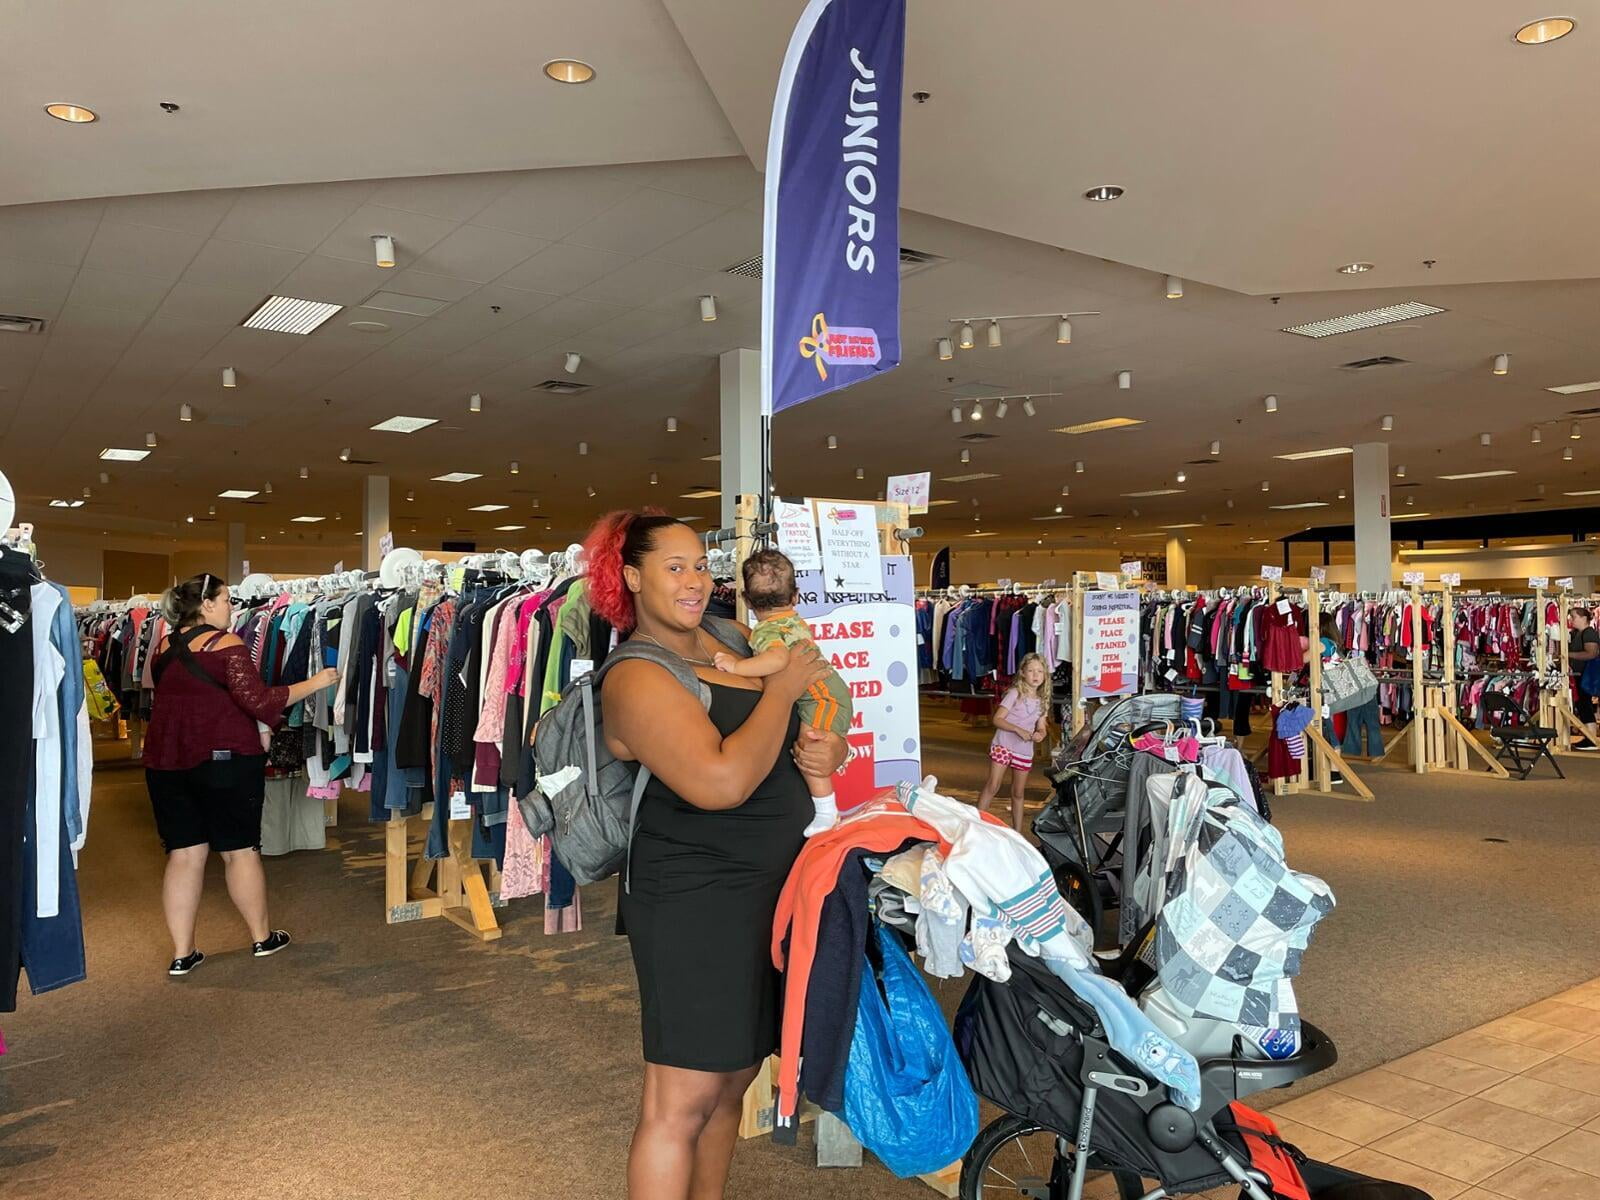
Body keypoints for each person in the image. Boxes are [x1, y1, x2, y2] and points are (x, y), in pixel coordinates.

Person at [589, 513, 847, 1200]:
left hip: (771, 888)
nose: (695, 579)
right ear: (632, 577)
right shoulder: (635, 676)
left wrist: (828, 748)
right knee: (680, 1099)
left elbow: (805, 717)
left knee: (733, 1080)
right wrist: (784, 690)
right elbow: (720, 781)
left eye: (701, 564)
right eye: (674, 566)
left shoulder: (734, 637)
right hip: (694, 900)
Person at [142, 574, 338, 977]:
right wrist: (317, 682)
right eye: (227, 600)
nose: (233, 607)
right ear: (207, 605)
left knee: (184, 854)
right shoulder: (226, 644)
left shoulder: (162, 645)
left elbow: (163, 692)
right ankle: (261, 938)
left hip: (167, 761)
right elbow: (258, 699)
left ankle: (183, 953)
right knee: (239, 850)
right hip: (225, 760)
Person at [713, 548, 853, 836]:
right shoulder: (791, 619)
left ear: (746, 600)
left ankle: (827, 811)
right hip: (826, 692)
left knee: (810, 748)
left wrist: (737, 666)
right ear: (796, 596)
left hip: (820, 697)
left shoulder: (765, 631)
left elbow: (777, 659)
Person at [977, 652, 1051, 831]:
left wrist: (1040, 734)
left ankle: (1017, 832)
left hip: (1024, 750)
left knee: (1018, 792)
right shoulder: (1014, 694)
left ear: (1045, 675)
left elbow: (1042, 726)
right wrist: (1017, 729)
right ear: (1023, 673)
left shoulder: (1042, 701)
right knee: (993, 785)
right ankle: (975, 825)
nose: (1035, 675)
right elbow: (998, 719)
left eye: (1040, 671)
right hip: (1004, 744)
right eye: (1031, 671)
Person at [1568, 606, 1600, 748]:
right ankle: (1590, 737)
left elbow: (1592, 653)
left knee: (1585, 705)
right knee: (1583, 705)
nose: (1571, 619)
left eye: (1574, 617)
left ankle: (1591, 738)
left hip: (1586, 675)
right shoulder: (1579, 634)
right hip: (1580, 674)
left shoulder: (1589, 633)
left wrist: (1568, 654)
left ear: (1583, 618)